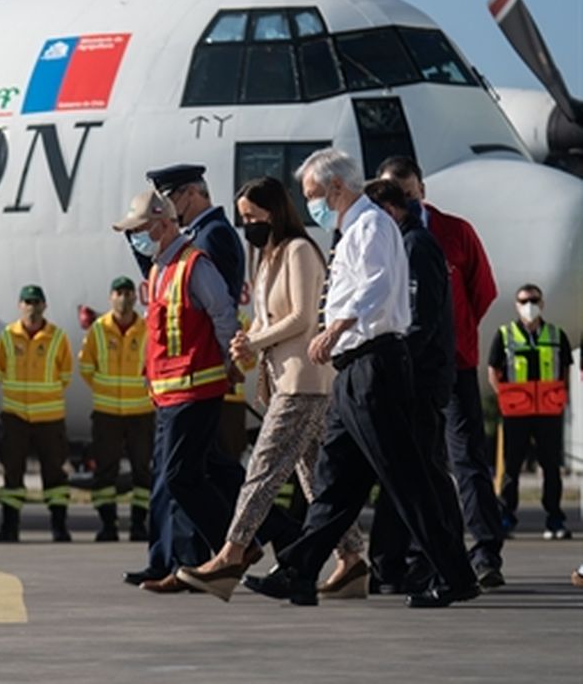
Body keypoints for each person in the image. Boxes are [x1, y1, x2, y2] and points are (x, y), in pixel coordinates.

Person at [244, 148, 480, 608]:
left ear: (336, 187)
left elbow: (376, 284)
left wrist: (336, 327)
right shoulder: (352, 228)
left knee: (405, 476)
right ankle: (299, 571)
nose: (310, 201)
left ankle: (455, 574)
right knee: (335, 478)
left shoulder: (370, 225)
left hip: (374, 365)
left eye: (313, 192)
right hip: (352, 370)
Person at [177, 177, 363, 600]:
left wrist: (257, 340)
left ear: (274, 211)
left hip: (304, 381)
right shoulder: (268, 257)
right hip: (285, 381)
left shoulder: (298, 251)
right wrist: (246, 341)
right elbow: (265, 317)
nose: (247, 225)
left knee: (262, 469)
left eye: (252, 216)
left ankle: (231, 553)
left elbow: (300, 317)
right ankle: (353, 561)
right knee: (318, 478)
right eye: (243, 218)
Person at [376, 155, 505, 585]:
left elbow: (482, 291)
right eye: (395, 196)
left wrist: (459, 332)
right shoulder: (382, 238)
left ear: (422, 191)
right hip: (407, 368)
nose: (404, 204)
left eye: (409, 195)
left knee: (467, 458)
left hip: (456, 364)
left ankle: (486, 551)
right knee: (416, 460)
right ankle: (421, 553)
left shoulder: (456, 232)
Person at [112, 190, 243, 592]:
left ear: (164, 224)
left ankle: (233, 548)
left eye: (139, 230)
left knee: (182, 476)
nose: (134, 238)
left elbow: (223, 314)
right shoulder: (159, 269)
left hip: (195, 387)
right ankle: (190, 559)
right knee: (185, 476)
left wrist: (231, 361)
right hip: (169, 394)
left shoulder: (194, 265)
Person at [362, 178, 470, 595]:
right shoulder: (405, 245)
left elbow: (419, 322)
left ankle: (435, 560)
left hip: (420, 379)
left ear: (390, 210)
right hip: (413, 376)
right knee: (405, 472)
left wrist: (396, 366)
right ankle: (392, 562)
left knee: (425, 470)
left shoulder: (415, 248)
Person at [146, 164, 249, 461]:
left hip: (201, 371)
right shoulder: (199, 234)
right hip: (193, 375)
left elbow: (218, 307)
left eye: (168, 197)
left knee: (195, 469)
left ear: (191, 192)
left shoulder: (212, 235)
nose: (164, 207)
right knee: (205, 468)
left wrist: (226, 358)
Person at [0, 285, 76, 543]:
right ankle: (10, 527)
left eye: (37, 301)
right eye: (27, 302)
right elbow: (0, 372)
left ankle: (59, 527)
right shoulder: (7, 337)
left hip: (49, 418)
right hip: (15, 416)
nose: (32, 306)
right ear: (20, 306)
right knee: (12, 474)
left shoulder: (57, 337)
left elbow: (65, 374)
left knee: (55, 475)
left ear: (44, 306)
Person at [489, 284, 573, 539]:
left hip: (548, 412)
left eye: (534, 300)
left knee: (551, 467)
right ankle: (506, 517)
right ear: (516, 304)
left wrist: (560, 395)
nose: (529, 305)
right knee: (512, 468)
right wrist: (504, 396)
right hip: (517, 413)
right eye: (524, 300)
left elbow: (566, 367)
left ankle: (555, 519)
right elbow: (493, 369)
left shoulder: (556, 334)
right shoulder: (505, 335)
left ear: (542, 303)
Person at [79, 276, 152, 542]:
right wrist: (104, 390)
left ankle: (138, 524)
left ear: (135, 297)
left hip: (141, 412)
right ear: (110, 297)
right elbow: (86, 367)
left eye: (128, 293)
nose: (123, 298)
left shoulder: (146, 329)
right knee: (105, 471)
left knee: (142, 469)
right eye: (118, 293)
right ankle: (108, 524)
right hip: (107, 412)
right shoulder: (98, 330)